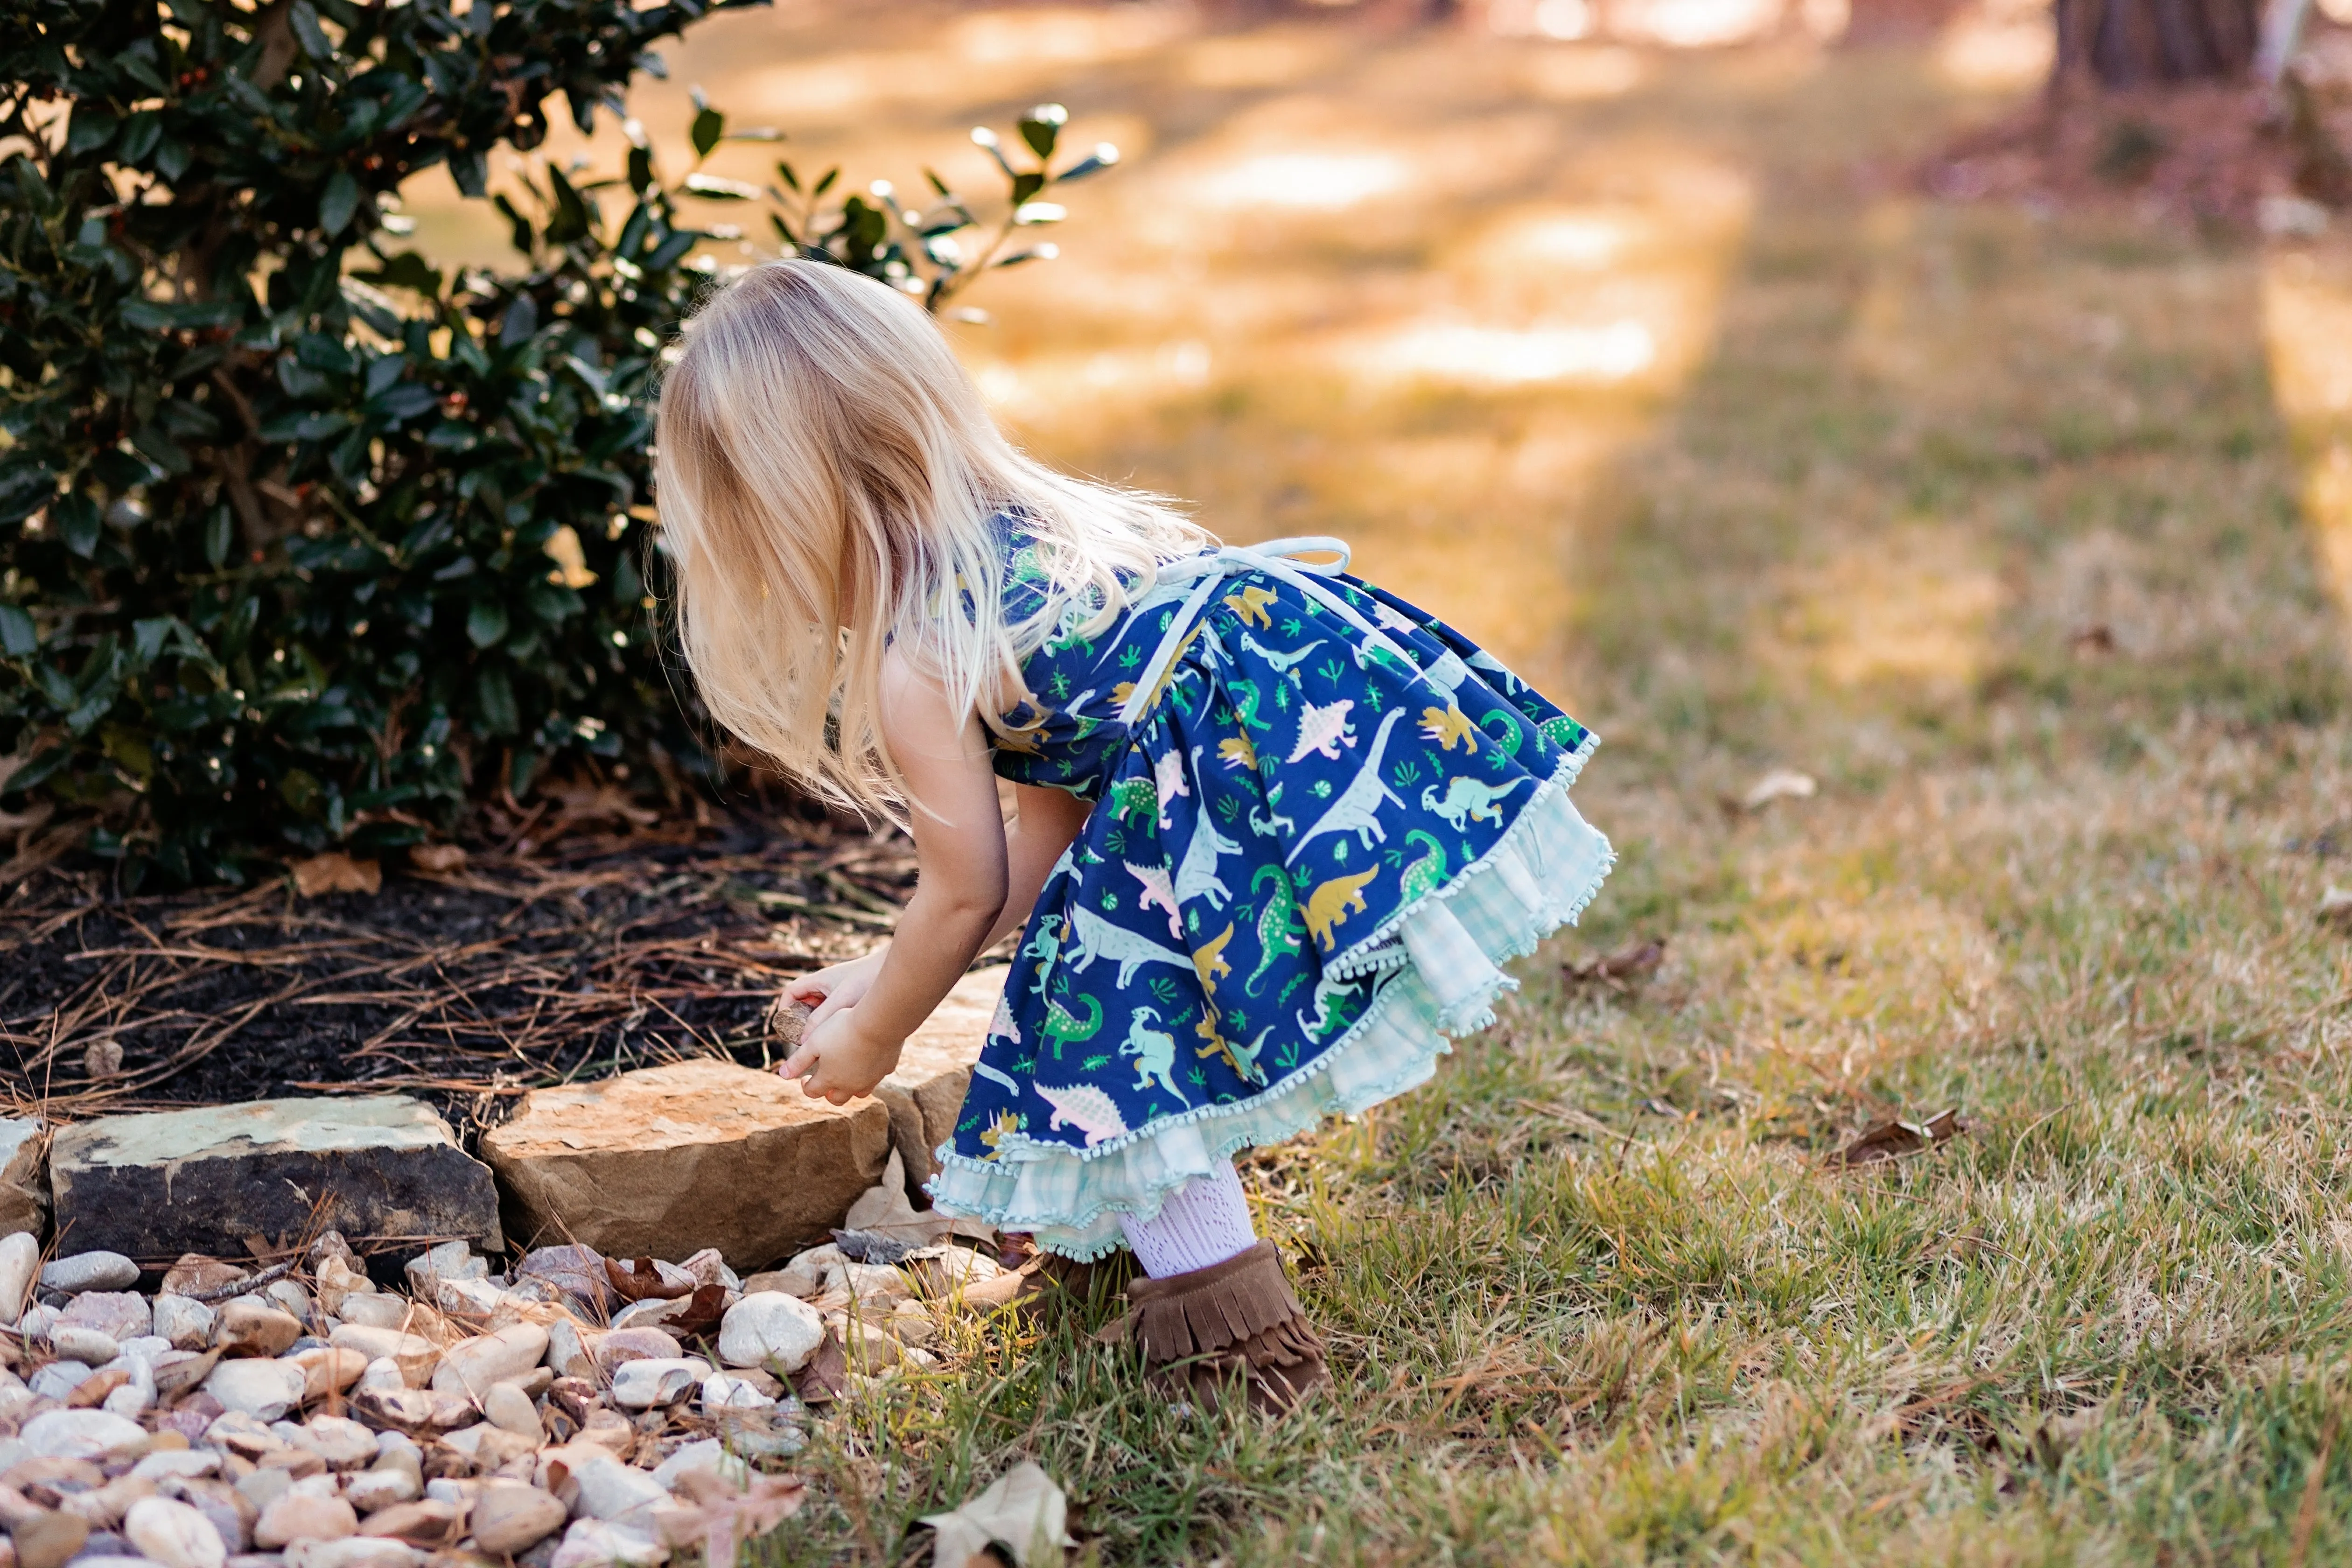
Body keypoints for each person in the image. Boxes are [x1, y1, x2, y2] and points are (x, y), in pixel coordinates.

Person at [654, 259, 1614, 1412]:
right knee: (1096, 986)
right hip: (1287, 699)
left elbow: (962, 898)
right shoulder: (1045, 541)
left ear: (776, 509)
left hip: (1242, 743)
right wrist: (872, 974)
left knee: (1117, 1037)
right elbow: (1035, 864)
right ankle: (1116, 1255)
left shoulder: (922, 656)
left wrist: (873, 1048)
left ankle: (1241, 1358)